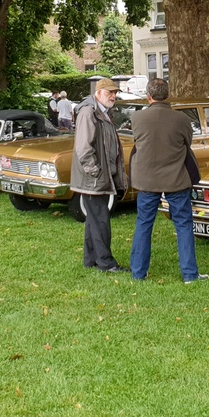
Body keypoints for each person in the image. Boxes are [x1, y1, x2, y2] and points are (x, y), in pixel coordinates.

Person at [129, 78, 208, 284]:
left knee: (144, 224)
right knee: (183, 225)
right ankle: (189, 274)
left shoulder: (137, 118)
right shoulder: (181, 119)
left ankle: (138, 272)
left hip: (147, 180)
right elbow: (187, 143)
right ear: (168, 95)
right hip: (176, 178)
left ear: (148, 96)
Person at [70, 79, 128, 273]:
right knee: (101, 219)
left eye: (115, 93)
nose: (113, 96)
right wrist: (95, 171)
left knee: (94, 219)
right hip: (94, 177)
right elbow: (83, 148)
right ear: (99, 92)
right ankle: (106, 263)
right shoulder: (89, 112)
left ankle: (91, 260)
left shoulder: (103, 112)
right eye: (109, 92)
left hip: (99, 176)